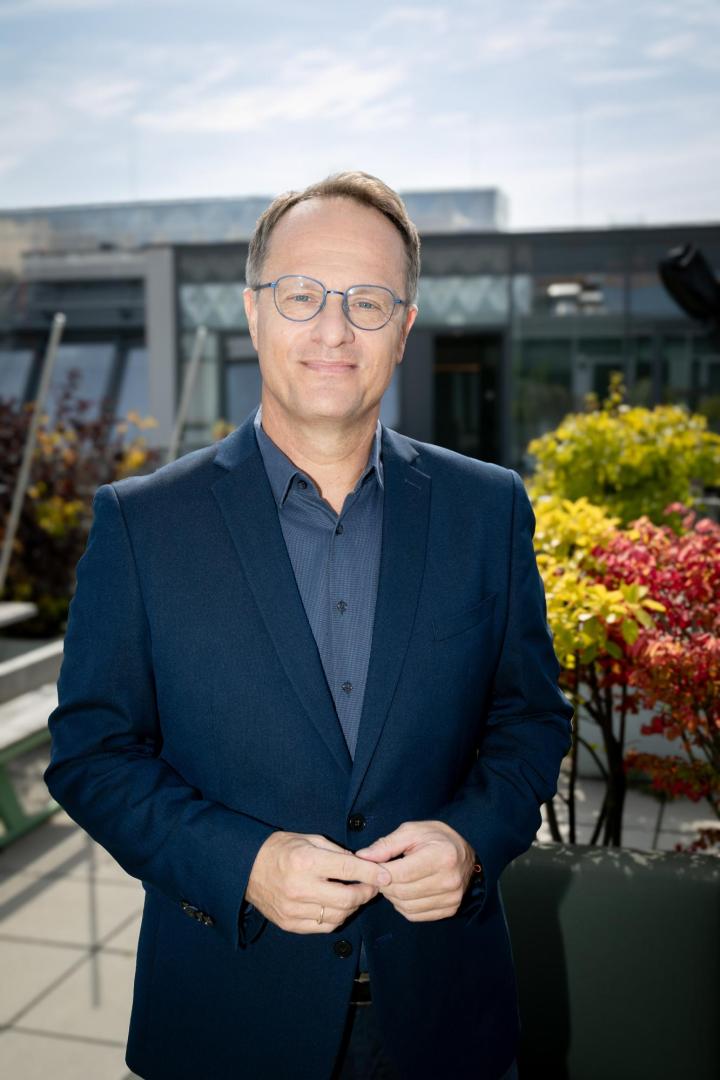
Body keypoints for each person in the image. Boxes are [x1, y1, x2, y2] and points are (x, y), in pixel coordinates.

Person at [44, 170, 573, 1080]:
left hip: (444, 1022)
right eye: (302, 296)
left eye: (369, 302)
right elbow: (92, 753)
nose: (334, 329)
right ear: (253, 312)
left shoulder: (489, 510)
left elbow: (527, 719)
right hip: (226, 1018)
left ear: (405, 327)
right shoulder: (143, 523)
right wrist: (242, 861)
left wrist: (471, 840)